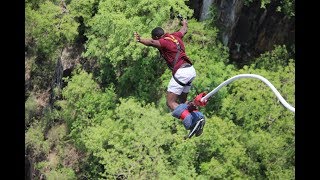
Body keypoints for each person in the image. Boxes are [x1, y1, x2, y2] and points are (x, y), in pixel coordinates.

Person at [134, 18, 205, 137]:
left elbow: (151, 43)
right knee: (182, 102)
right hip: (191, 70)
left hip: (181, 72)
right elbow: (184, 30)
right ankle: (198, 117)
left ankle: (192, 124)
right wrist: (185, 23)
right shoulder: (175, 36)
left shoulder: (164, 42)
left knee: (171, 102)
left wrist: (140, 39)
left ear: (157, 37)